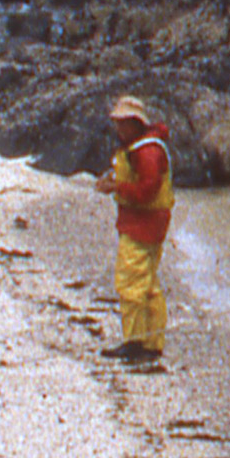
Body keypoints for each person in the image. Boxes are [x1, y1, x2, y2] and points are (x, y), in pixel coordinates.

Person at [92, 95, 172, 363]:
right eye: (118, 123)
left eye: (123, 123)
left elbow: (148, 191)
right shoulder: (140, 147)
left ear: (136, 123)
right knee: (147, 282)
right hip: (147, 224)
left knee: (131, 281)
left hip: (143, 224)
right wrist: (116, 182)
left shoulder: (146, 151)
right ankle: (149, 342)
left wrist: (117, 188)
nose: (119, 129)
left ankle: (137, 342)